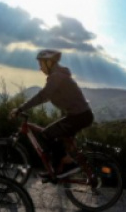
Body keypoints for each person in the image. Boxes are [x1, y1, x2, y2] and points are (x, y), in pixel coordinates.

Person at [9, 49, 94, 178]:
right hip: (79, 115)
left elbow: (42, 96)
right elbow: (50, 98)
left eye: (41, 64)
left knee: (46, 134)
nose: (40, 68)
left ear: (49, 62)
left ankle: (68, 165)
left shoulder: (56, 77)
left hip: (79, 116)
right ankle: (57, 170)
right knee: (57, 138)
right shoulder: (59, 76)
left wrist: (20, 109)